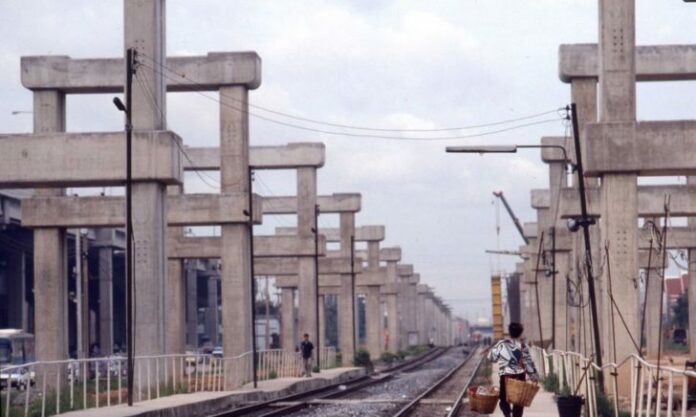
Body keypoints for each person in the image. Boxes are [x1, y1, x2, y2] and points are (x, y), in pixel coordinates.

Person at [487, 322, 538, 417]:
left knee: (503, 400)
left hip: (505, 377)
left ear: (509, 332)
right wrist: (534, 377)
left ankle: (508, 415)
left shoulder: (501, 344)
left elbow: (491, 358)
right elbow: (528, 363)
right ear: (520, 333)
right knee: (518, 401)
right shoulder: (523, 346)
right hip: (520, 377)